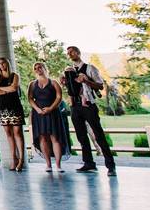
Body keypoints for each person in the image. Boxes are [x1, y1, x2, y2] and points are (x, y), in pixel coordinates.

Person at [64, 46, 116, 176]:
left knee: (98, 135)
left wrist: (86, 81)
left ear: (78, 53)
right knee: (81, 136)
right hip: (75, 106)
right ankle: (88, 163)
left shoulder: (90, 68)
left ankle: (110, 165)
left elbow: (100, 86)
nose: (70, 54)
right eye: (68, 53)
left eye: (72, 52)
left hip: (88, 105)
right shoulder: (69, 71)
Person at [29, 62, 65, 173]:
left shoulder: (53, 82)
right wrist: (37, 109)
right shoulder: (32, 84)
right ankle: (48, 164)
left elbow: (59, 97)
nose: (38, 69)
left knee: (55, 138)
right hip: (38, 114)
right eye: (35, 68)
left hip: (52, 113)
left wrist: (50, 108)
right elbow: (30, 98)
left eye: (40, 67)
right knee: (42, 138)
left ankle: (58, 165)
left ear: (45, 68)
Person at [0, 58, 25, 171]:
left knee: (17, 133)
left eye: (3, 63)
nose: (1, 65)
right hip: (3, 108)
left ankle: (21, 160)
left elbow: (14, 88)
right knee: (8, 133)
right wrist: (7, 90)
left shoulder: (14, 76)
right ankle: (13, 159)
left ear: (7, 63)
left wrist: (0, 88)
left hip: (15, 107)